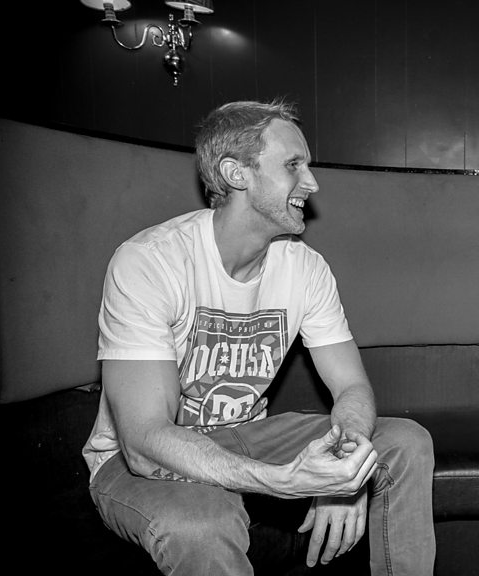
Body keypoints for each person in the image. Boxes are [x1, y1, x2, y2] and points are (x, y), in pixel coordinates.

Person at [82, 99, 435, 575]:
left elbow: (351, 386)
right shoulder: (150, 261)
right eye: (293, 165)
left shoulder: (305, 267)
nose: (312, 183)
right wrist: (283, 481)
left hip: (245, 434)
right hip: (140, 457)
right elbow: (145, 443)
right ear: (236, 173)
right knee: (201, 521)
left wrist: (345, 469)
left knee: (405, 442)